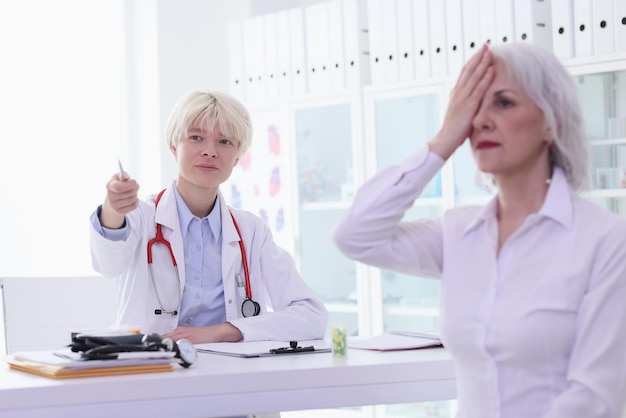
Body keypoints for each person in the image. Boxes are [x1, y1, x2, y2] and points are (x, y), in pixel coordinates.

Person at [333, 43, 626, 418]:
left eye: (503, 103)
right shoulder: (459, 233)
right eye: (473, 107)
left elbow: (595, 397)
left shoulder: (604, 240)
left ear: (552, 122)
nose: (481, 121)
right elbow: (355, 235)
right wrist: (443, 140)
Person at [90, 90, 328, 345]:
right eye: (196, 137)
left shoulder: (251, 231)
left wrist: (223, 331)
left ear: (238, 156)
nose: (210, 151)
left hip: (227, 375)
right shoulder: (141, 218)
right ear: (173, 146)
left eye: (225, 142)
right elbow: (108, 264)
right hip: (150, 373)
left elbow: (312, 316)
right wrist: (114, 209)